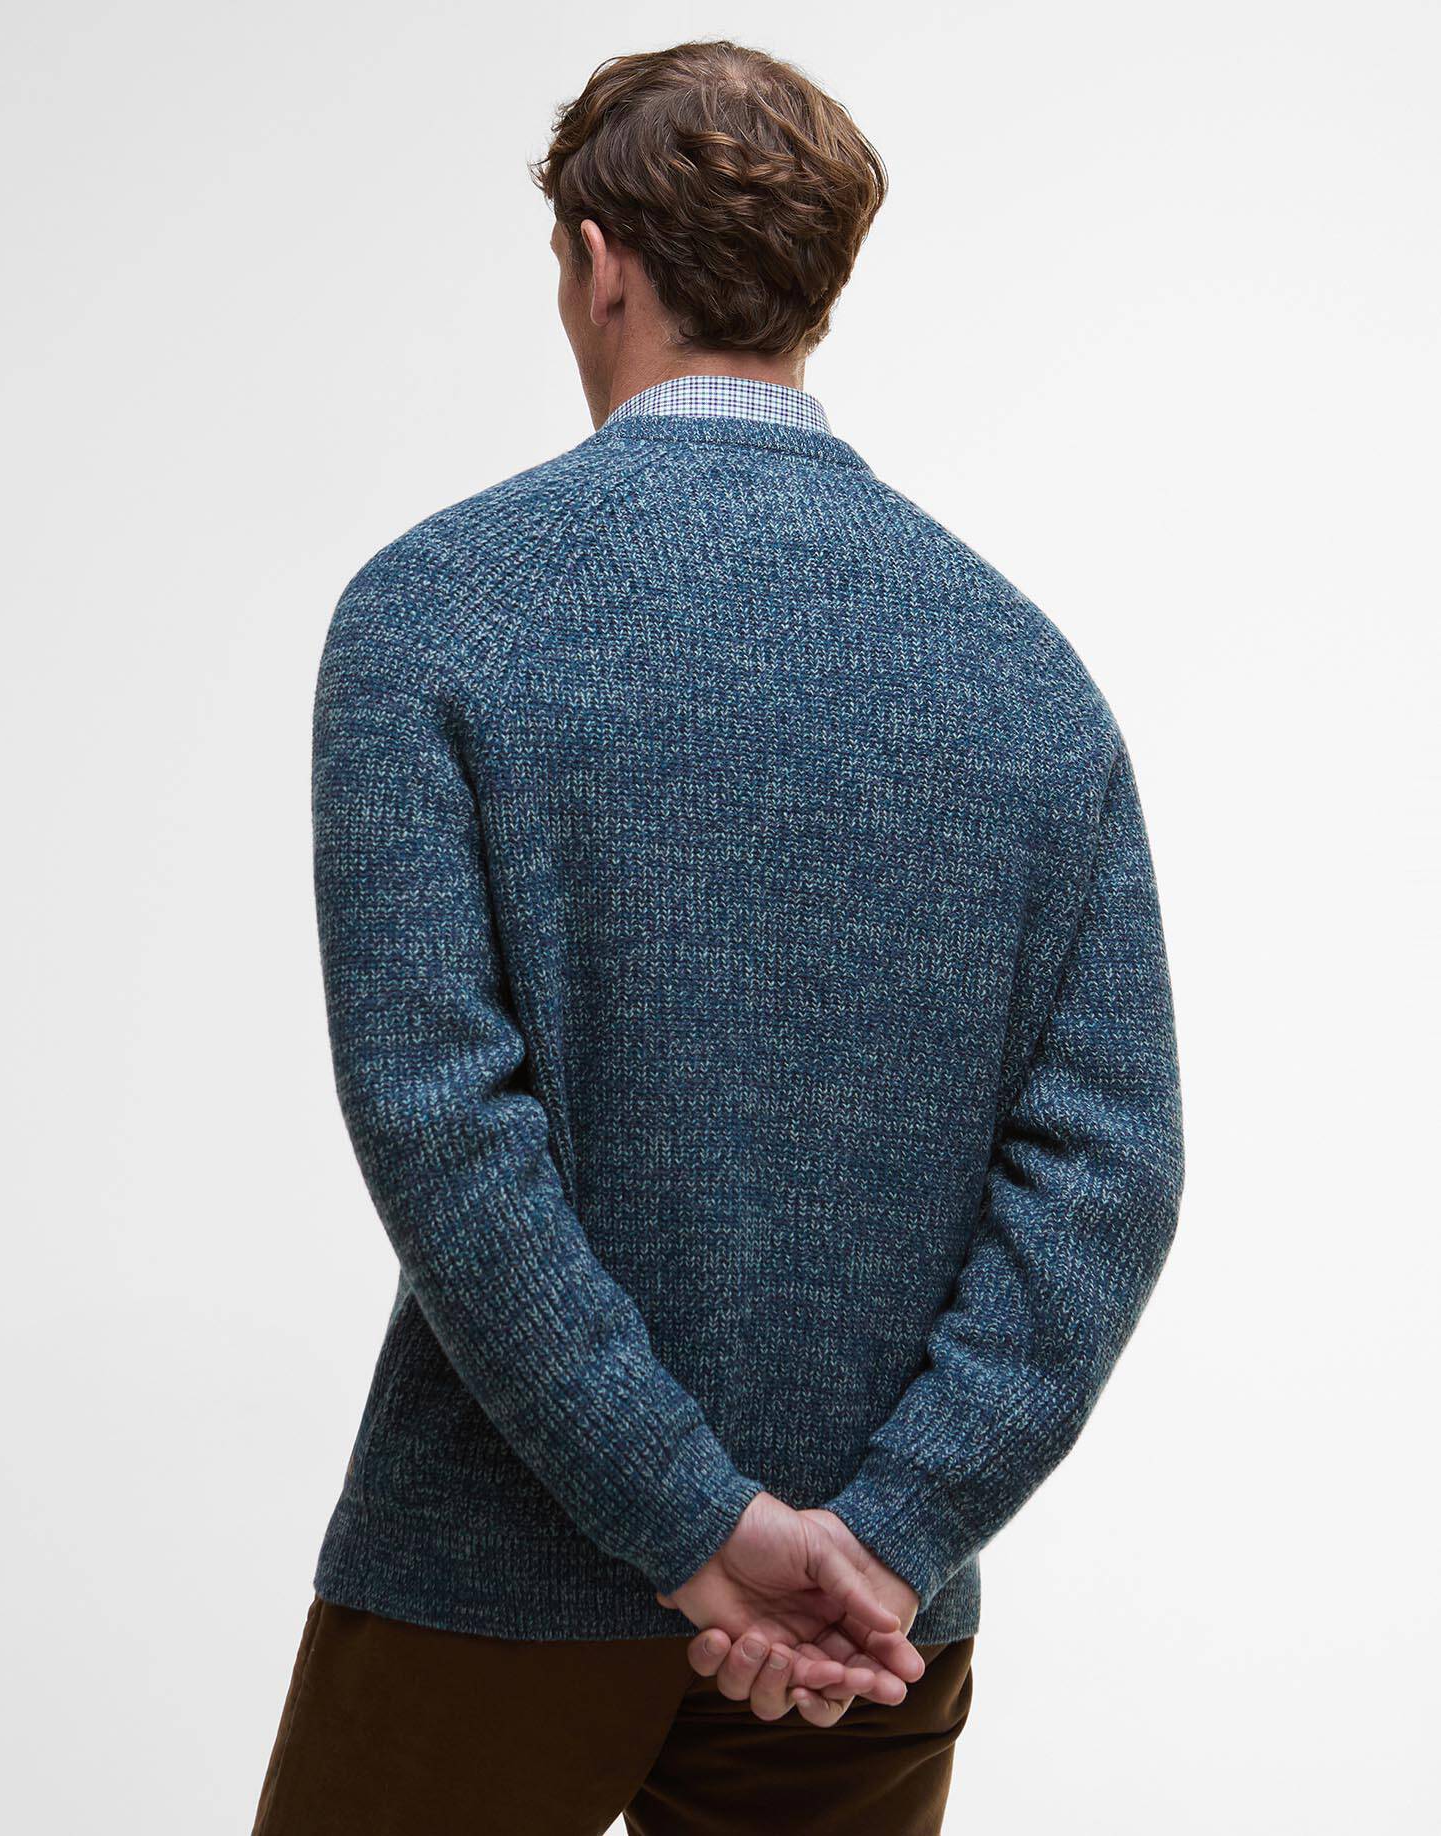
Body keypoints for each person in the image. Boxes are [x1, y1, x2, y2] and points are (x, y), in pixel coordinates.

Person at [251, 37, 1184, 1836]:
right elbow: (1109, 1169)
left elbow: (441, 1124)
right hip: (861, 1627)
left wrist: (687, 1518)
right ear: (820, 285)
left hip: (491, 1570)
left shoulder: (432, 615)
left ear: (598, 261)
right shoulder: (1023, 672)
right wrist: (892, 1530)